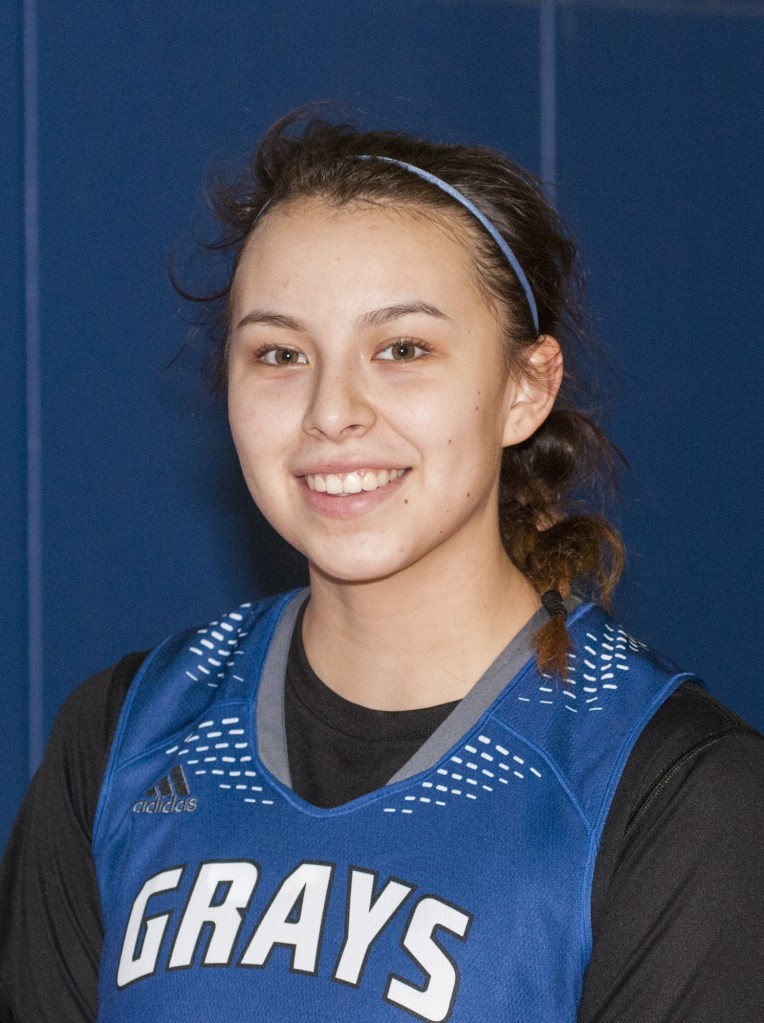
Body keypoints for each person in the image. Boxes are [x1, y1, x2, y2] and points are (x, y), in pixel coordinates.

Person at [1, 108, 763, 1023]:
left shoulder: (674, 792)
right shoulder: (123, 739)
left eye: (403, 349)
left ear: (525, 387)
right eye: (280, 353)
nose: (332, 410)